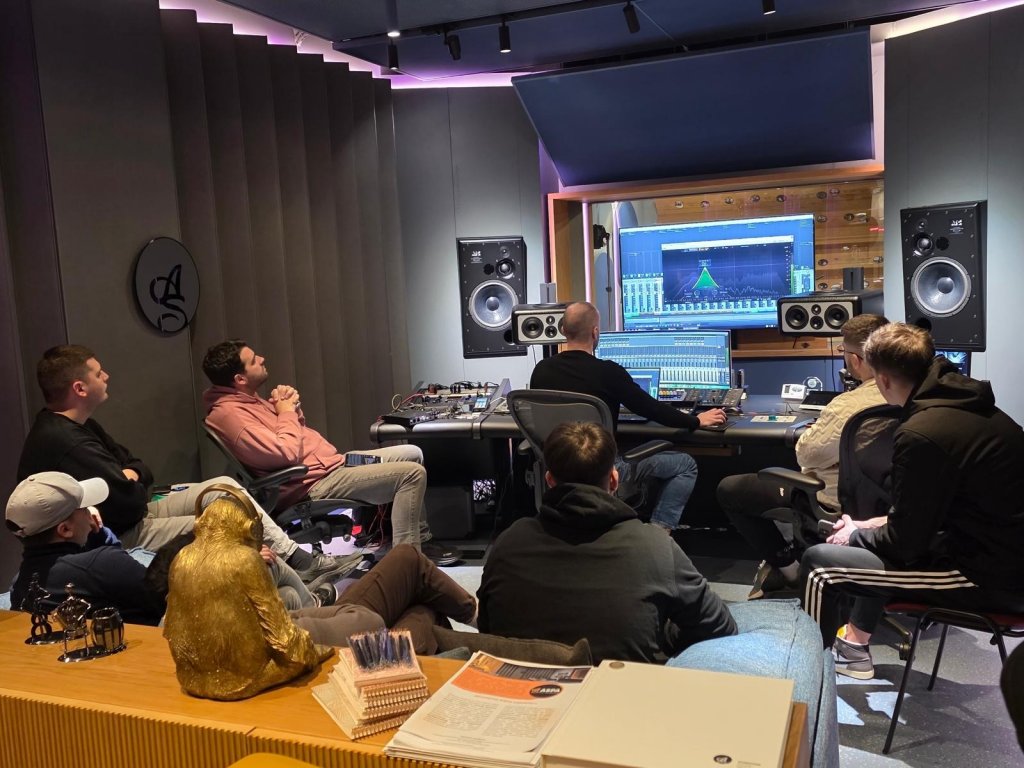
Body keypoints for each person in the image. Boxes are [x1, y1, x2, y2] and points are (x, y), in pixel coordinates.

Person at [17, 345, 355, 584]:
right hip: (124, 530)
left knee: (224, 488)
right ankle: (299, 584)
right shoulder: (66, 440)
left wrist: (131, 475)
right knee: (224, 524)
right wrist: (130, 479)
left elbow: (139, 468)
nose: (106, 375)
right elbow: (128, 497)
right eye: (97, 372)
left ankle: (298, 558)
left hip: (139, 511)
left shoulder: (82, 425)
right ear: (80, 388)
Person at [801, 323, 1024, 678]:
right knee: (868, 541)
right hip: (999, 556)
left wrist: (854, 535)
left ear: (882, 379)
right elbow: (936, 511)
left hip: (990, 579)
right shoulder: (973, 406)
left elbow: (904, 544)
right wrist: (869, 524)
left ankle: (811, 679)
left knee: (820, 565)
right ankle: (849, 649)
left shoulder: (921, 433)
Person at [163, 492, 476, 699]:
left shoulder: (184, 565)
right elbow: (291, 642)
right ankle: (477, 623)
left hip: (283, 630)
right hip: (292, 647)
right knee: (418, 603)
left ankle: (449, 639)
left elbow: (170, 630)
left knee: (410, 571)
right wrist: (320, 636)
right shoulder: (242, 563)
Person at [477, 421, 736, 664]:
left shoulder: (509, 542)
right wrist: (663, 637)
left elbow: (488, 627)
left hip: (521, 688)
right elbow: (719, 625)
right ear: (614, 480)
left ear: (549, 480)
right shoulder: (655, 546)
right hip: (617, 690)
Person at [201, 339, 458, 565]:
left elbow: (296, 433)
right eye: (254, 360)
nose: (262, 359)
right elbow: (286, 453)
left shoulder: (249, 399)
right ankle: (407, 564)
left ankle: (418, 539)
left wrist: (291, 408)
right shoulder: (231, 415)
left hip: (336, 464)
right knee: (411, 474)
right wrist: (286, 411)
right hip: (315, 482)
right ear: (240, 379)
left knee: (412, 452)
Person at [717, 313, 889, 599]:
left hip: (833, 501)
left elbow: (807, 455)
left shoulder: (848, 405)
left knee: (730, 489)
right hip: (889, 507)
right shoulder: (910, 392)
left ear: (855, 360)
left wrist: (816, 432)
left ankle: (790, 571)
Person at [529, 301, 726, 531]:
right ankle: (660, 533)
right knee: (685, 465)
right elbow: (651, 409)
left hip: (559, 471)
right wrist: (696, 420)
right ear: (595, 332)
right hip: (601, 471)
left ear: (563, 330)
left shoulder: (541, 370)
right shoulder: (608, 372)